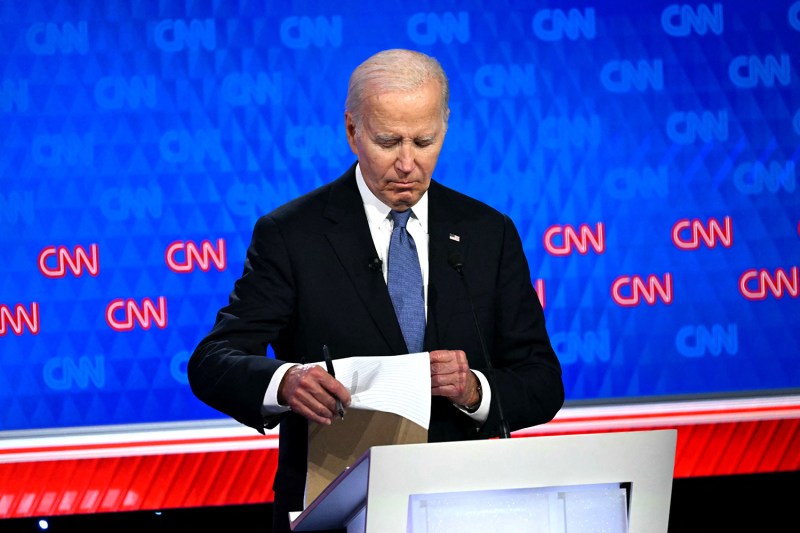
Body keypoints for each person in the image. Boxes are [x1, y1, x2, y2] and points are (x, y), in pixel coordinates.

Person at [188, 48, 564, 533]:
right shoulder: (291, 235)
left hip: (462, 507)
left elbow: (541, 381)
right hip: (336, 510)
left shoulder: (488, 233)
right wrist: (286, 382)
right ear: (352, 132)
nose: (407, 163)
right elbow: (212, 361)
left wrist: (475, 390)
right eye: (388, 141)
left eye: (424, 141)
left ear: (445, 127)